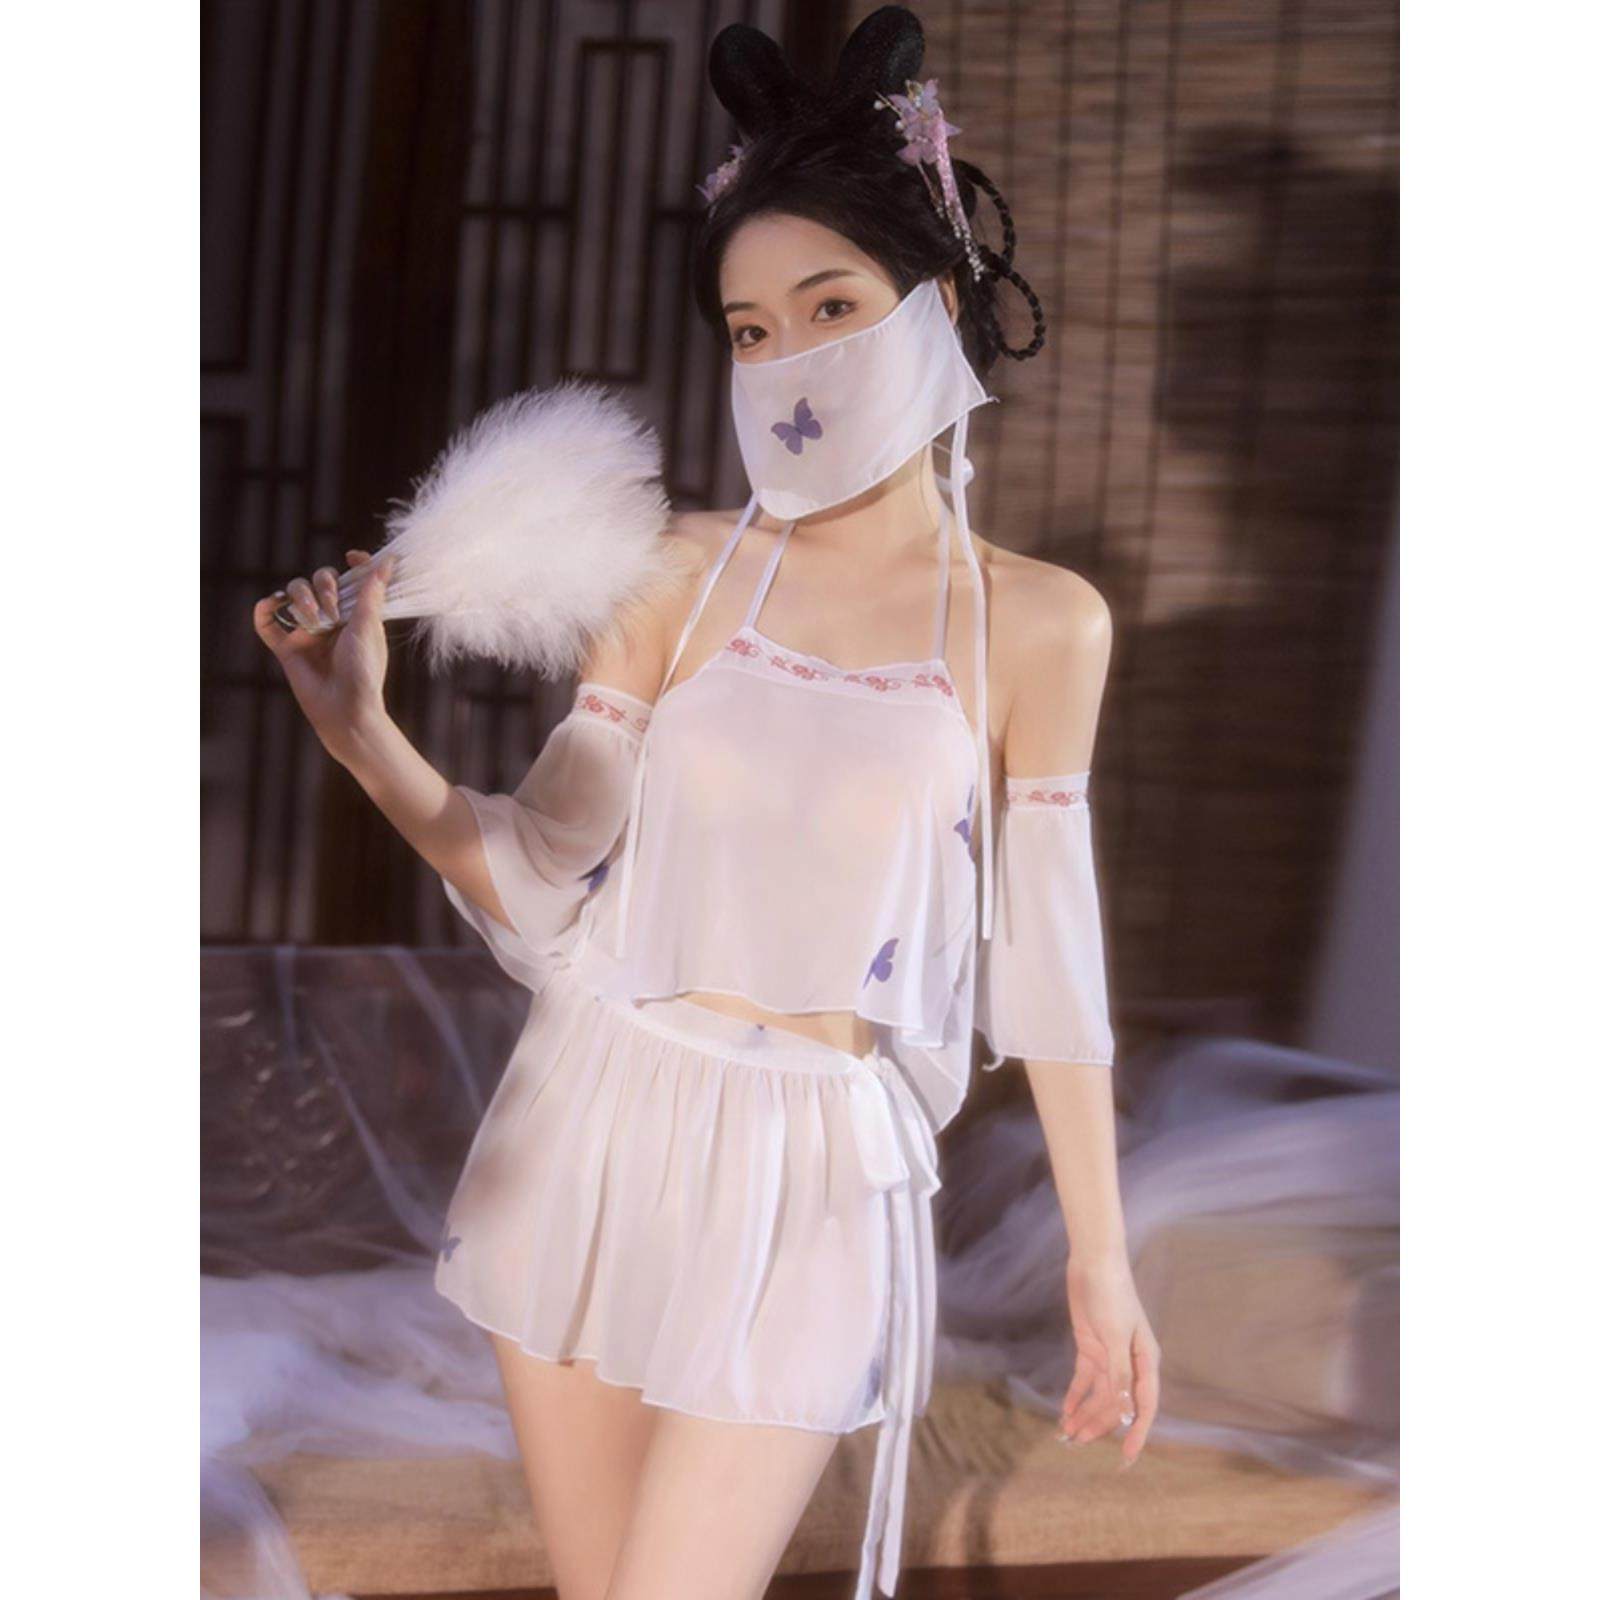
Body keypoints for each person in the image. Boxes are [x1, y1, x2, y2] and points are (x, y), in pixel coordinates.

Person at [251, 9, 1159, 1599]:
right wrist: (363, 739)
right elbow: (541, 879)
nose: (791, 360)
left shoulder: (1039, 624)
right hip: (595, 1117)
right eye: (750, 330)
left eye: (832, 307)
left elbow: (1053, 975)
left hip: (817, 1169)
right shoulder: (675, 572)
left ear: (937, 309)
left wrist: (1103, 1260)